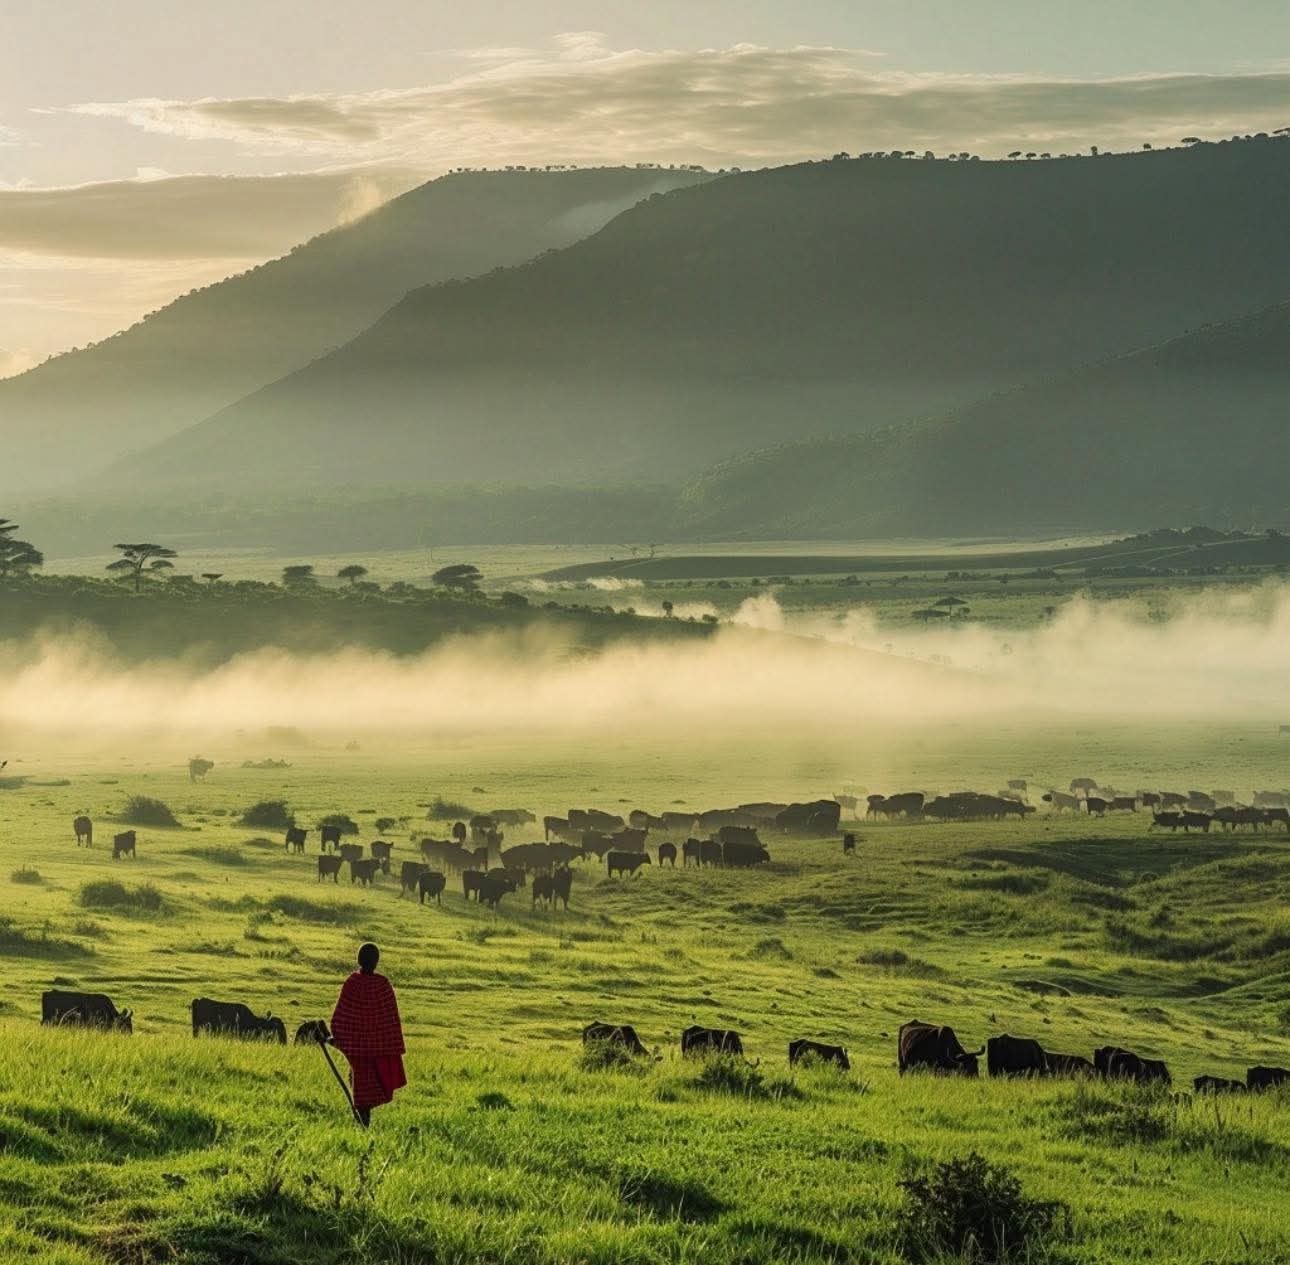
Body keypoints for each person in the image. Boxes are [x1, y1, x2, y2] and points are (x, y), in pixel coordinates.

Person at [329, 942, 407, 1126]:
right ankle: (363, 1125)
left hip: (356, 1050)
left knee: (361, 1089)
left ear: (359, 960)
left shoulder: (352, 983)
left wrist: (338, 1038)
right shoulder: (383, 985)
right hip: (377, 1051)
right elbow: (390, 1022)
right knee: (366, 1091)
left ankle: (362, 1125)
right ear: (376, 962)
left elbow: (341, 1017)